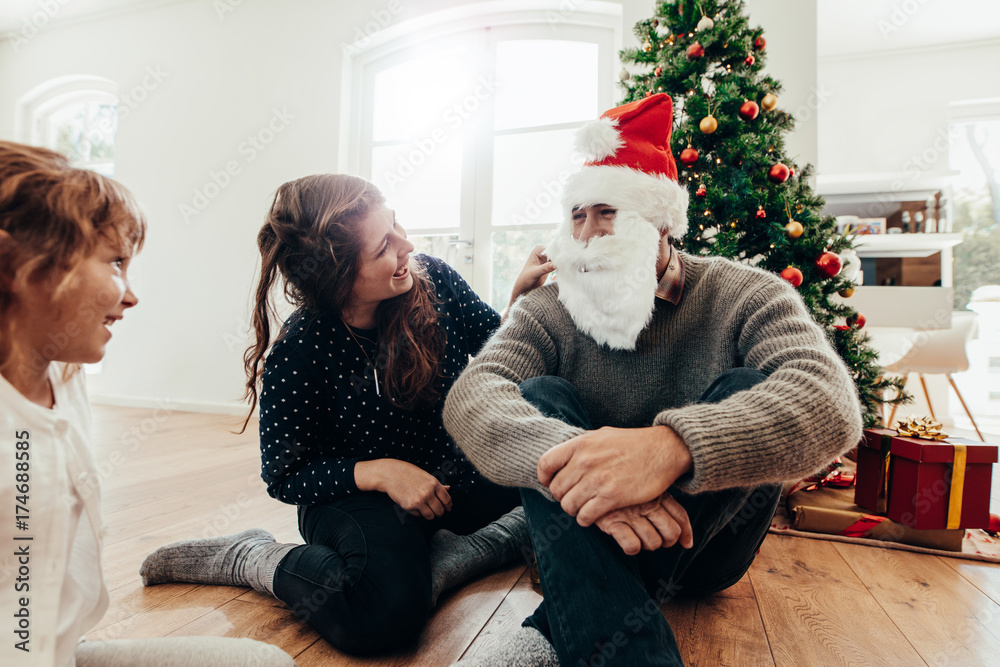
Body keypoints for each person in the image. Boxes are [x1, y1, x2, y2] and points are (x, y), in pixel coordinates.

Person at [442, 94, 864, 666]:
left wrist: (670, 449)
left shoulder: (747, 293)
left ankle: (562, 620)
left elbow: (830, 400)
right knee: (539, 396)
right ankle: (603, 614)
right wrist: (588, 470)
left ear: (662, 221)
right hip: (585, 529)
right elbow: (472, 396)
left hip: (708, 549)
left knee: (748, 382)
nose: (587, 234)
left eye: (607, 212)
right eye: (577, 215)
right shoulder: (550, 306)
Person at [140, 173, 555, 655]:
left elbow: (496, 356)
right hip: (353, 498)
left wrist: (518, 301)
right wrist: (381, 473)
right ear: (337, 276)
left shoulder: (434, 278)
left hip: (445, 482)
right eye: (384, 247)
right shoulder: (300, 351)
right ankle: (254, 556)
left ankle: (446, 556)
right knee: (384, 616)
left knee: (559, 477)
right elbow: (284, 475)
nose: (407, 245)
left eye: (396, 226)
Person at [0, 141, 296, 667]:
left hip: (55, 652)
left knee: (262, 663)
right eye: (115, 262)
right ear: (20, 265)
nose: (131, 296)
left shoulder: (62, 378)